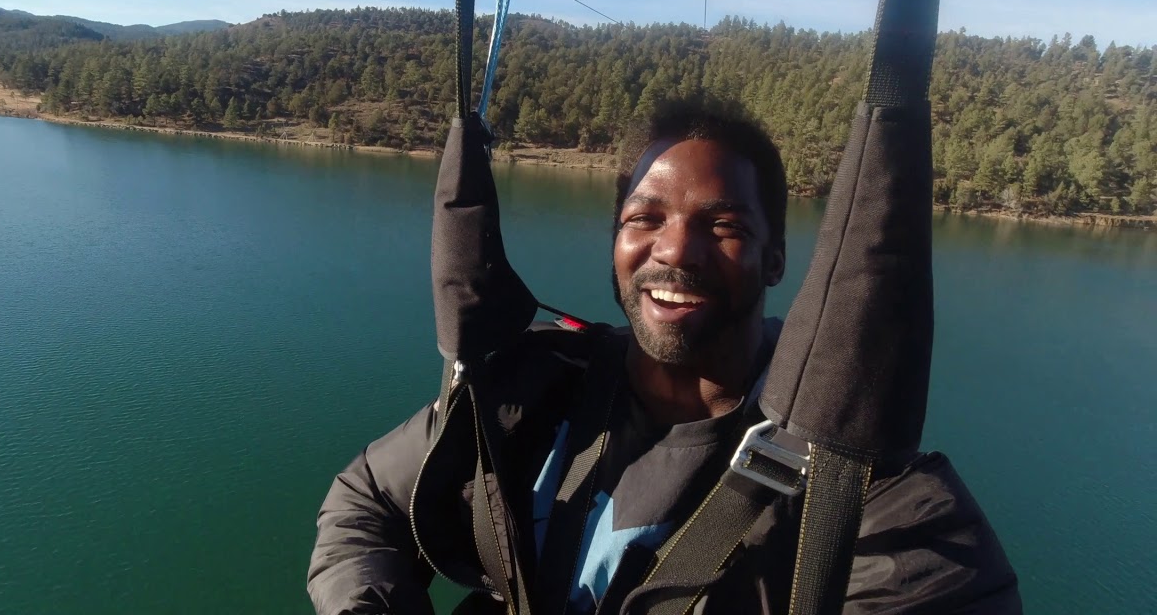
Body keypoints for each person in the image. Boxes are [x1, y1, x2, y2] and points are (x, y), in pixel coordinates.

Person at [308, 107, 1021, 615]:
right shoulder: (536, 389)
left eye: (725, 225)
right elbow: (365, 499)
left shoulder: (869, 497)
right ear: (615, 243)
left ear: (776, 259)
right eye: (644, 219)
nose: (675, 250)